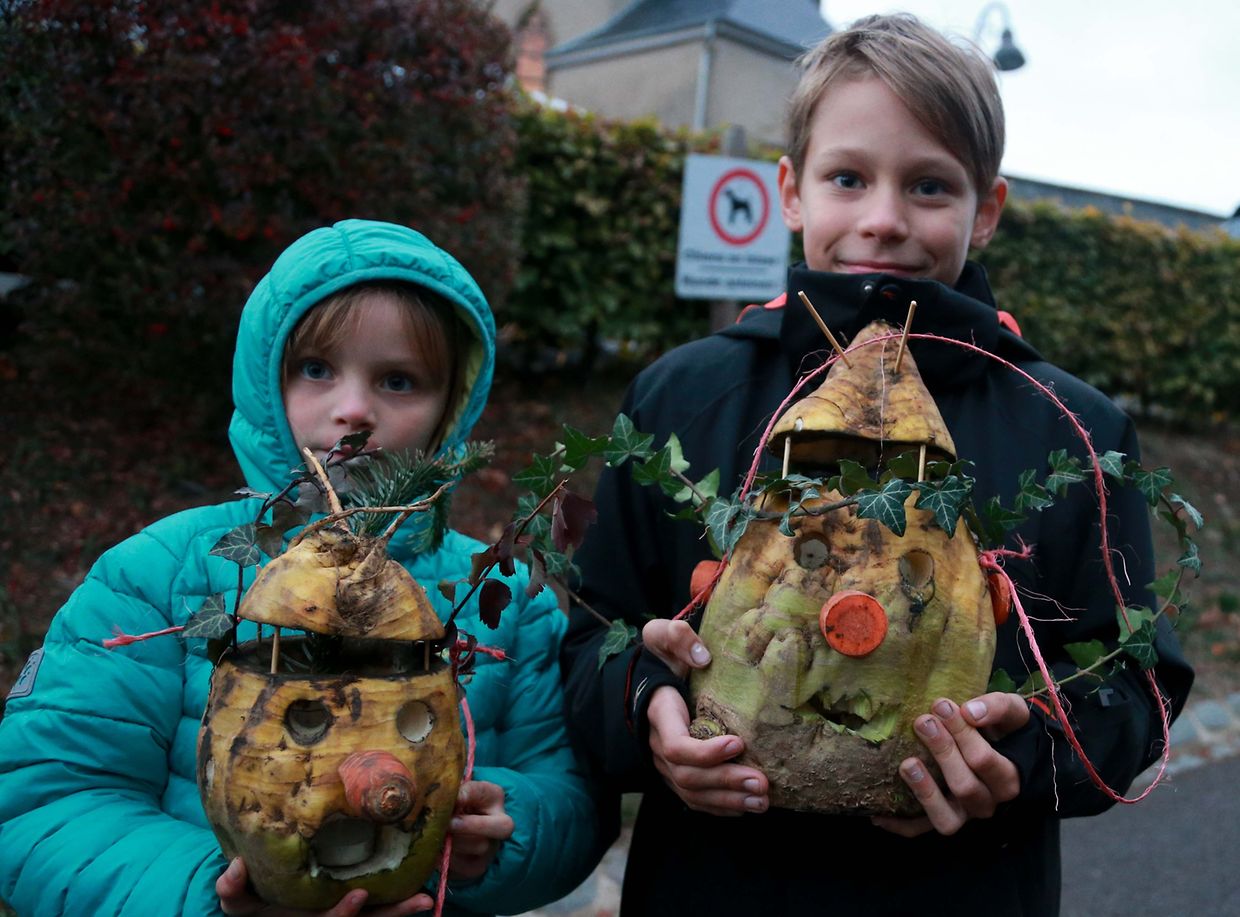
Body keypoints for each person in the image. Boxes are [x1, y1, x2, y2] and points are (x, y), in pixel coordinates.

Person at [561, 14, 1193, 916]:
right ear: (790, 189)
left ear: (987, 211)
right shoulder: (683, 400)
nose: (884, 220)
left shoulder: (1073, 432)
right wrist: (646, 705)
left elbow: (1137, 693)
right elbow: (591, 637)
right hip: (711, 885)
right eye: (847, 178)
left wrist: (1022, 757)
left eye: (930, 186)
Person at [0, 219, 602, 916]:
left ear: (451, 410)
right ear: (266, 381)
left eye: (399, 380)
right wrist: (211, 896)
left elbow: (575, 795)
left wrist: (510, 829)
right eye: (315, 369)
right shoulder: (155, 579)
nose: (353, 411)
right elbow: (43, 800)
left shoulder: (500, 598)